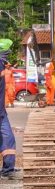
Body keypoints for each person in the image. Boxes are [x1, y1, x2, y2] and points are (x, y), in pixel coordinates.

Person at [0, 39, 20, 180]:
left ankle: (8, 168)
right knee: (7, 138)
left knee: (8, 139)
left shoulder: (2, 64)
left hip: (1, 110)